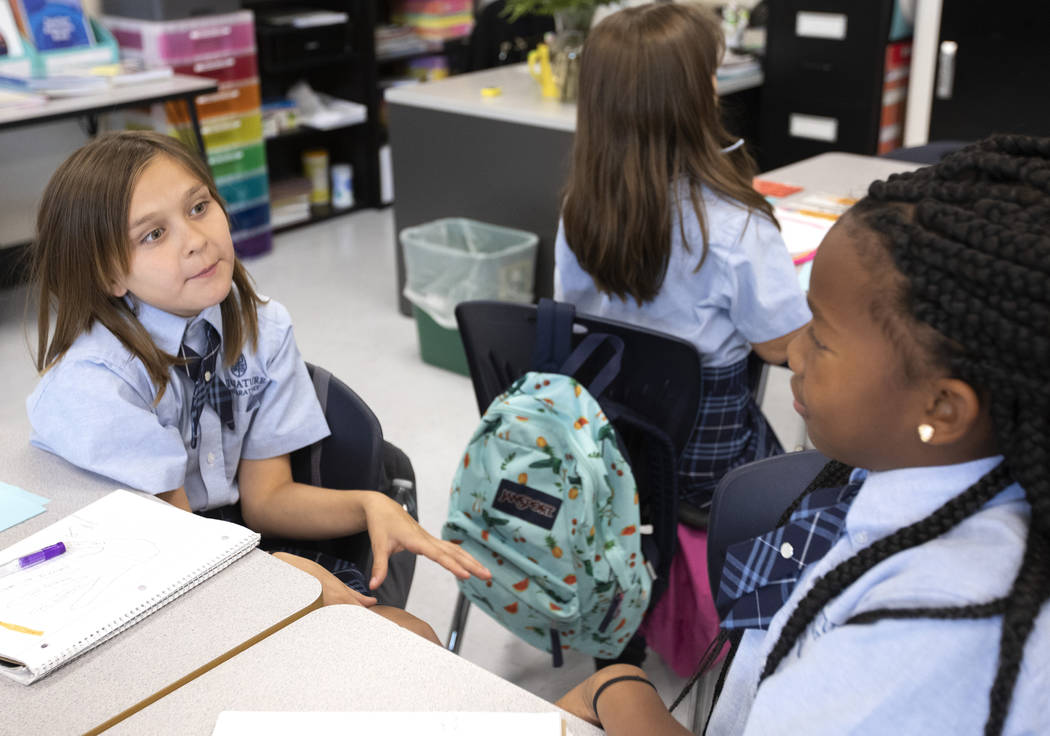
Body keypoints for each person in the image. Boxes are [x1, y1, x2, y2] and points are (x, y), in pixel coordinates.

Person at [555, 134, 1050, 734]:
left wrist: (620, 687)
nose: (792, 352)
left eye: (820, 333)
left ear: (943, 409)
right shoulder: (934, 476)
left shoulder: (914, 643)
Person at [26, 130, 490, 642]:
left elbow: (266, 499)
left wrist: (368, 505)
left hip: (227, 545)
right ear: (109, 273)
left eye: (199, 207)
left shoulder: (260, 326)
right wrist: (282, 577)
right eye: (153, 235)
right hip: (152, 572)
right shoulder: (98, 381)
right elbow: (175, 546)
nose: (196, 239)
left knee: (410, 636)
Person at [554, 2, 810, 508]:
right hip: (702, 468)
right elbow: (781, 347)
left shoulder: (579, 209)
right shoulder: (738, 226)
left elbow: (573, 310)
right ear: (695, 99)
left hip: (603, 449)